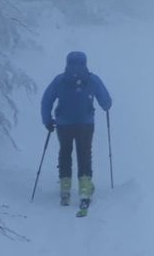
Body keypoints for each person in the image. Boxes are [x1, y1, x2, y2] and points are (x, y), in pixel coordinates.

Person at [40, 51, 113, 207]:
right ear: (85, 63)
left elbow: (46, 102)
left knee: (65, 153)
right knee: (84, 154)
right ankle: (85, 190)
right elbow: (106, 102)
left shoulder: (59, 80)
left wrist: (48, 121)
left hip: (63, 124)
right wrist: (106, 106)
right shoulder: (92, 79)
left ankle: (65, 190)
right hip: (85, 124)